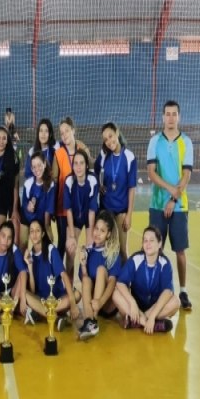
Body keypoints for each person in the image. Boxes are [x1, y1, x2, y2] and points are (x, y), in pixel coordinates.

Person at [147, 100, 193, 310]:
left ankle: (182, 291)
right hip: (157, 204)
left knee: (180, 251)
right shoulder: (154, 141)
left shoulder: (187, 142)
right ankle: (158, 291)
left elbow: (186, 175)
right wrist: (169, 192)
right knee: (156, 251)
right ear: (163, 117)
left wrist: (174, 199)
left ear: (179, 117)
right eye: (168, 114)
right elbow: (151, 173)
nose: (171, 118)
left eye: (175, 114)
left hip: (179, 207)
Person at [112, 226, 180, 334]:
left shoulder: (165, 263)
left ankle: (136, 321)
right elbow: (120, 283)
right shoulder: (136, 259)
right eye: (145, 240)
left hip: (155, 307)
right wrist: (132, 302)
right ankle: (151, 324)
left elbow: (168, 292)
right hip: (136, 308)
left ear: (159, 244)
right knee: (115, 294)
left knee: (176, 302)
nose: (148, 244)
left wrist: (152, 316)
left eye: (152, 240)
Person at [23, 220, 79, 329]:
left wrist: (72, 304)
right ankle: (56, 318)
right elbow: (33, 291)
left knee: (77, 295)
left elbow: (64, 276)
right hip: (42, 300)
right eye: (32, 231)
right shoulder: (29, 255)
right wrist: (29, 265)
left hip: (57, 299)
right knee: (23, 292)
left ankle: (41, 313)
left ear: (43, 234)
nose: (34, 234)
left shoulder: (50, 250)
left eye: (37, 231)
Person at [94, 122, 137, 264]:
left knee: (122, 250)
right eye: (105, 139)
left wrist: (129, 215)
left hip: (121, 211)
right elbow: (94, 170)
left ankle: (126, 284)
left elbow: (132, 188)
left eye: (110, 136)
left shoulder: (129, 157)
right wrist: (99, 184)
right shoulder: (104, 155)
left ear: (117, 133)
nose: (109, 141)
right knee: (105, 249)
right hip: (106, 210)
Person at [54, 117, 91, 271]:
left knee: (81, 247)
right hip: (64, 207)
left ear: (73, 131)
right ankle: (56, 278)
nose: (64, 135)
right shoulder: (59, 153)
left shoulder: (82, 149)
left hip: (82, 207)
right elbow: (55, 180)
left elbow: (92, 168)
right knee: (63, 244)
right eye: (61, 133)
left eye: (67, 131)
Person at [77, 211, 121, 340]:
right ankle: (89, 321)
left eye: (102, 231)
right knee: (85, 279)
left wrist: (100, 301)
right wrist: (83, 264)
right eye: (96, 228)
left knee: (101, 270)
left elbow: (113, 282)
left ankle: (92, 320)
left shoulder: (112, 252)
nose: (97, 233)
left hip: (106, 303)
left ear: (108, 234)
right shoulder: (88, 251)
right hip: (93, 303)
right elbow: (85, 280)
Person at [64, 150, 98, 278]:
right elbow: (68, 210)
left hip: (89, 217)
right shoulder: (69, 181)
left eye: (81, 163)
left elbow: (92, 211)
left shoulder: (92, 180)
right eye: (76, 163)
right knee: (70, 249)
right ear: (72, 166)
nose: (78, 167)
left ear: (86, 165)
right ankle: (69, 287)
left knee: (91, 250)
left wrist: (91, 236)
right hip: (75, 219)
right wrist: (72, 236)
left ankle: (89, 282)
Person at [0, 221, 28, 317]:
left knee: (22, 275)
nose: (6, 240)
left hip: (13, 292)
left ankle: (12, 308)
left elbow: (23, 272)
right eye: (3, 236)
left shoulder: (14, 249)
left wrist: (20, 298)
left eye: (9, 238)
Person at [20, 152, 55, 251]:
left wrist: (46, 230)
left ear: (44, 164)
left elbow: (48, 214)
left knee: (47, 245)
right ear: (31, 169)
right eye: (34, 167)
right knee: (22, 244)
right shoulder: (28, 184)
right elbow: (24, 205)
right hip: (27, 218)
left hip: (41, 219)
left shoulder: (50, 185)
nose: (37, 169)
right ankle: (23, 265)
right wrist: (28, 207)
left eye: (39, 165)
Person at [0, 127, 21, 245]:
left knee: (15, 241)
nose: (1, 141)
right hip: (0, 200)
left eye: (4, 138)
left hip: (13, 200)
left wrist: (14, 209)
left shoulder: (13, 157)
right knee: (2, 239)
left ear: (8, 140)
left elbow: (16, 185)